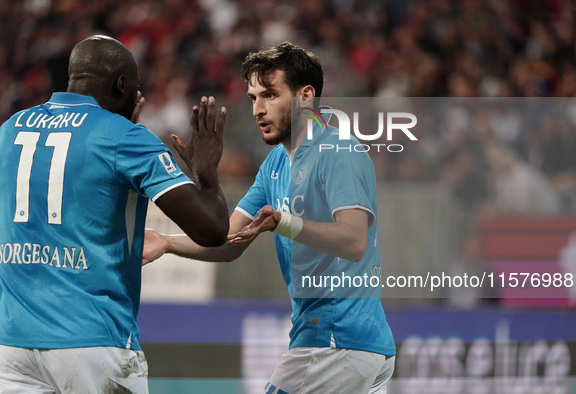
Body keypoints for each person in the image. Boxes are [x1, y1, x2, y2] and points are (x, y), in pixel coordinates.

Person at [144, 42, 396, 393]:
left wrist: (284, 223)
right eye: (252, 98)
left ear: (306, 96)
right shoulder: (275, 165)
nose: (258, 110)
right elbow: (228, 240)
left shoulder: (338, 151)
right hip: (340, 342)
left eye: (270, 95)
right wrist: (169, 240)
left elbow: (354, 242)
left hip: (337, 338)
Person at [0, 35, 229, 394]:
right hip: (92, 341)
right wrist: (206, 174)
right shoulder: (125, 138)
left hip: (10, 346)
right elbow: (213, 229)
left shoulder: (9, 129)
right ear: (122, 85)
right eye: (135, 88)